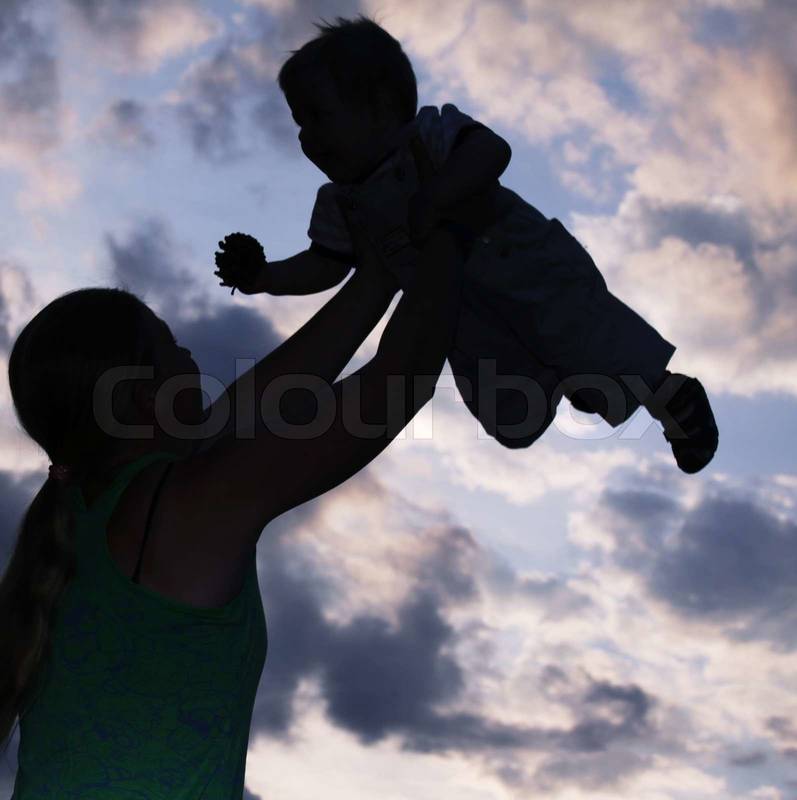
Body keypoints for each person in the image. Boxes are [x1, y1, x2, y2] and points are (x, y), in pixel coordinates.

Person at [1, 159, 470, 795]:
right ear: (142, 398)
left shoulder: (91, 512)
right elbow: (399, 380)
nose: (190, 357)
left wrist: (380, 274)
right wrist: (450, 224)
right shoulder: (180, 508)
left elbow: (265, 398)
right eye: (172, 349)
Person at [215, 14, 719, 474]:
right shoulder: (341, 203)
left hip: (525, 267)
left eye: (318, 116)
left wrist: (437, 196)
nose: (306, 137)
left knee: (587, 338)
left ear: (381, 107)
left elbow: (491, 150)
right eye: (299, 124)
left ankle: (671, 397)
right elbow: (325, 265)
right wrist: (265, 276)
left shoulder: (429, 135)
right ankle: (573, 377)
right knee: (513, 418)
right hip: (459, 317)